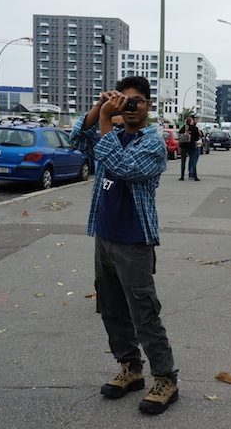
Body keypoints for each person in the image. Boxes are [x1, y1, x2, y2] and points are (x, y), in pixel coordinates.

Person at [70, 76, 179, 416]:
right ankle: (131, 368)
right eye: (123, 101)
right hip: (104, 236)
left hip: (134, 242)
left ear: (148, 105)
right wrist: (99, 109)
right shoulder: (111, 132)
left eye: (136, 102)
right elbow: (77, 139)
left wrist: (105, 119)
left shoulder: (154, 143)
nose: (129, 108)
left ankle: (165, 378)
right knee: (112, 310)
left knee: (144, 314)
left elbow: (124, 167)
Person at [178, 116, 200, 181]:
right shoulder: (195, 128)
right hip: (192, 146)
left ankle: (182, 176)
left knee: (183, 161)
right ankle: (195, 176)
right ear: (191, 121)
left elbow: (179, 133)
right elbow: (197, 138)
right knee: (193, 161)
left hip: (184, 146)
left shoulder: (184, 127)